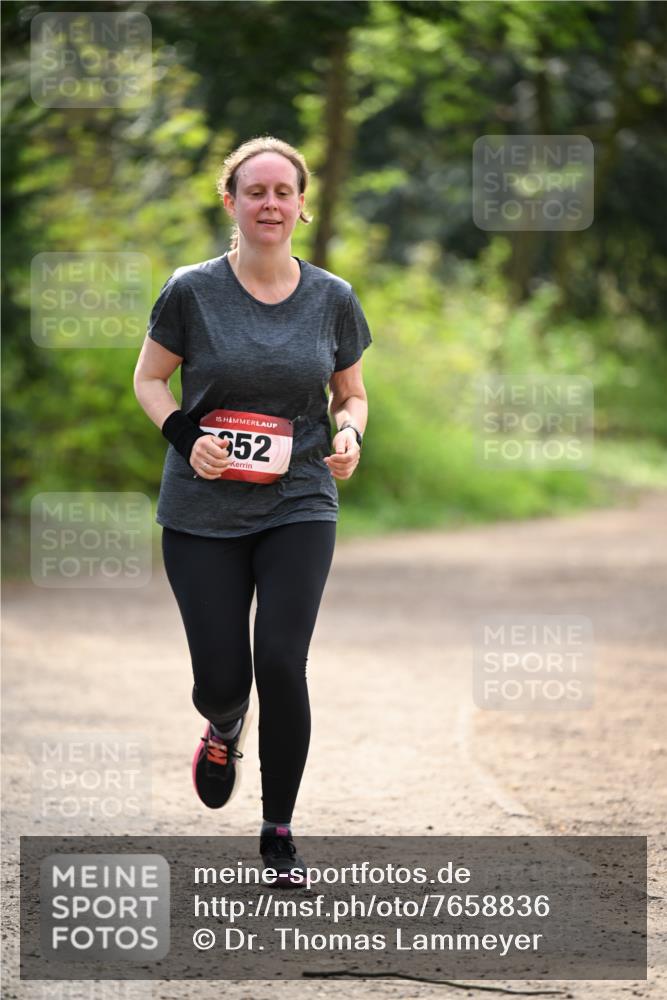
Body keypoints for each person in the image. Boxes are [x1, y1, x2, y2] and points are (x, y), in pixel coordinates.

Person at [133, 135, 372, 883]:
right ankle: (224, 722)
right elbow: (148, 380)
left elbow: (351, 392)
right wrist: (186, 436)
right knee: (222, 677)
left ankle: (278, 832)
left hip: (299, 498)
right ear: (230, 202)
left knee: (281, 661)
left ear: (302, 206)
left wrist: (350, 433)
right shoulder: (191, 290)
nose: (269, 203)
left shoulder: (331, 297)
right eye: (254, 191)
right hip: (201, 508)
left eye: (283, 192)